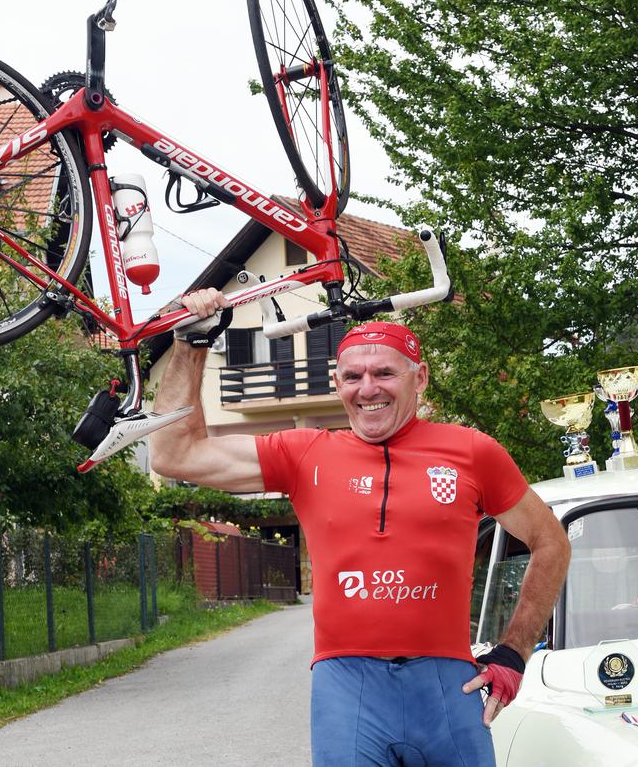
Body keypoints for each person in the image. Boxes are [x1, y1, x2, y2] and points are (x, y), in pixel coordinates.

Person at [151, 289, 570, 767]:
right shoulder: (305, 454)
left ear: (420, 377)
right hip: (347, 688)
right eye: (353, 376)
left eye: (384, 373)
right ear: (337, 383)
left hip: (446, 685)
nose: (368, 388)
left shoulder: (472, 452)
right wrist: (191, 344)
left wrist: (514, 652)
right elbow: (174, 454)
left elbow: (551, 542)